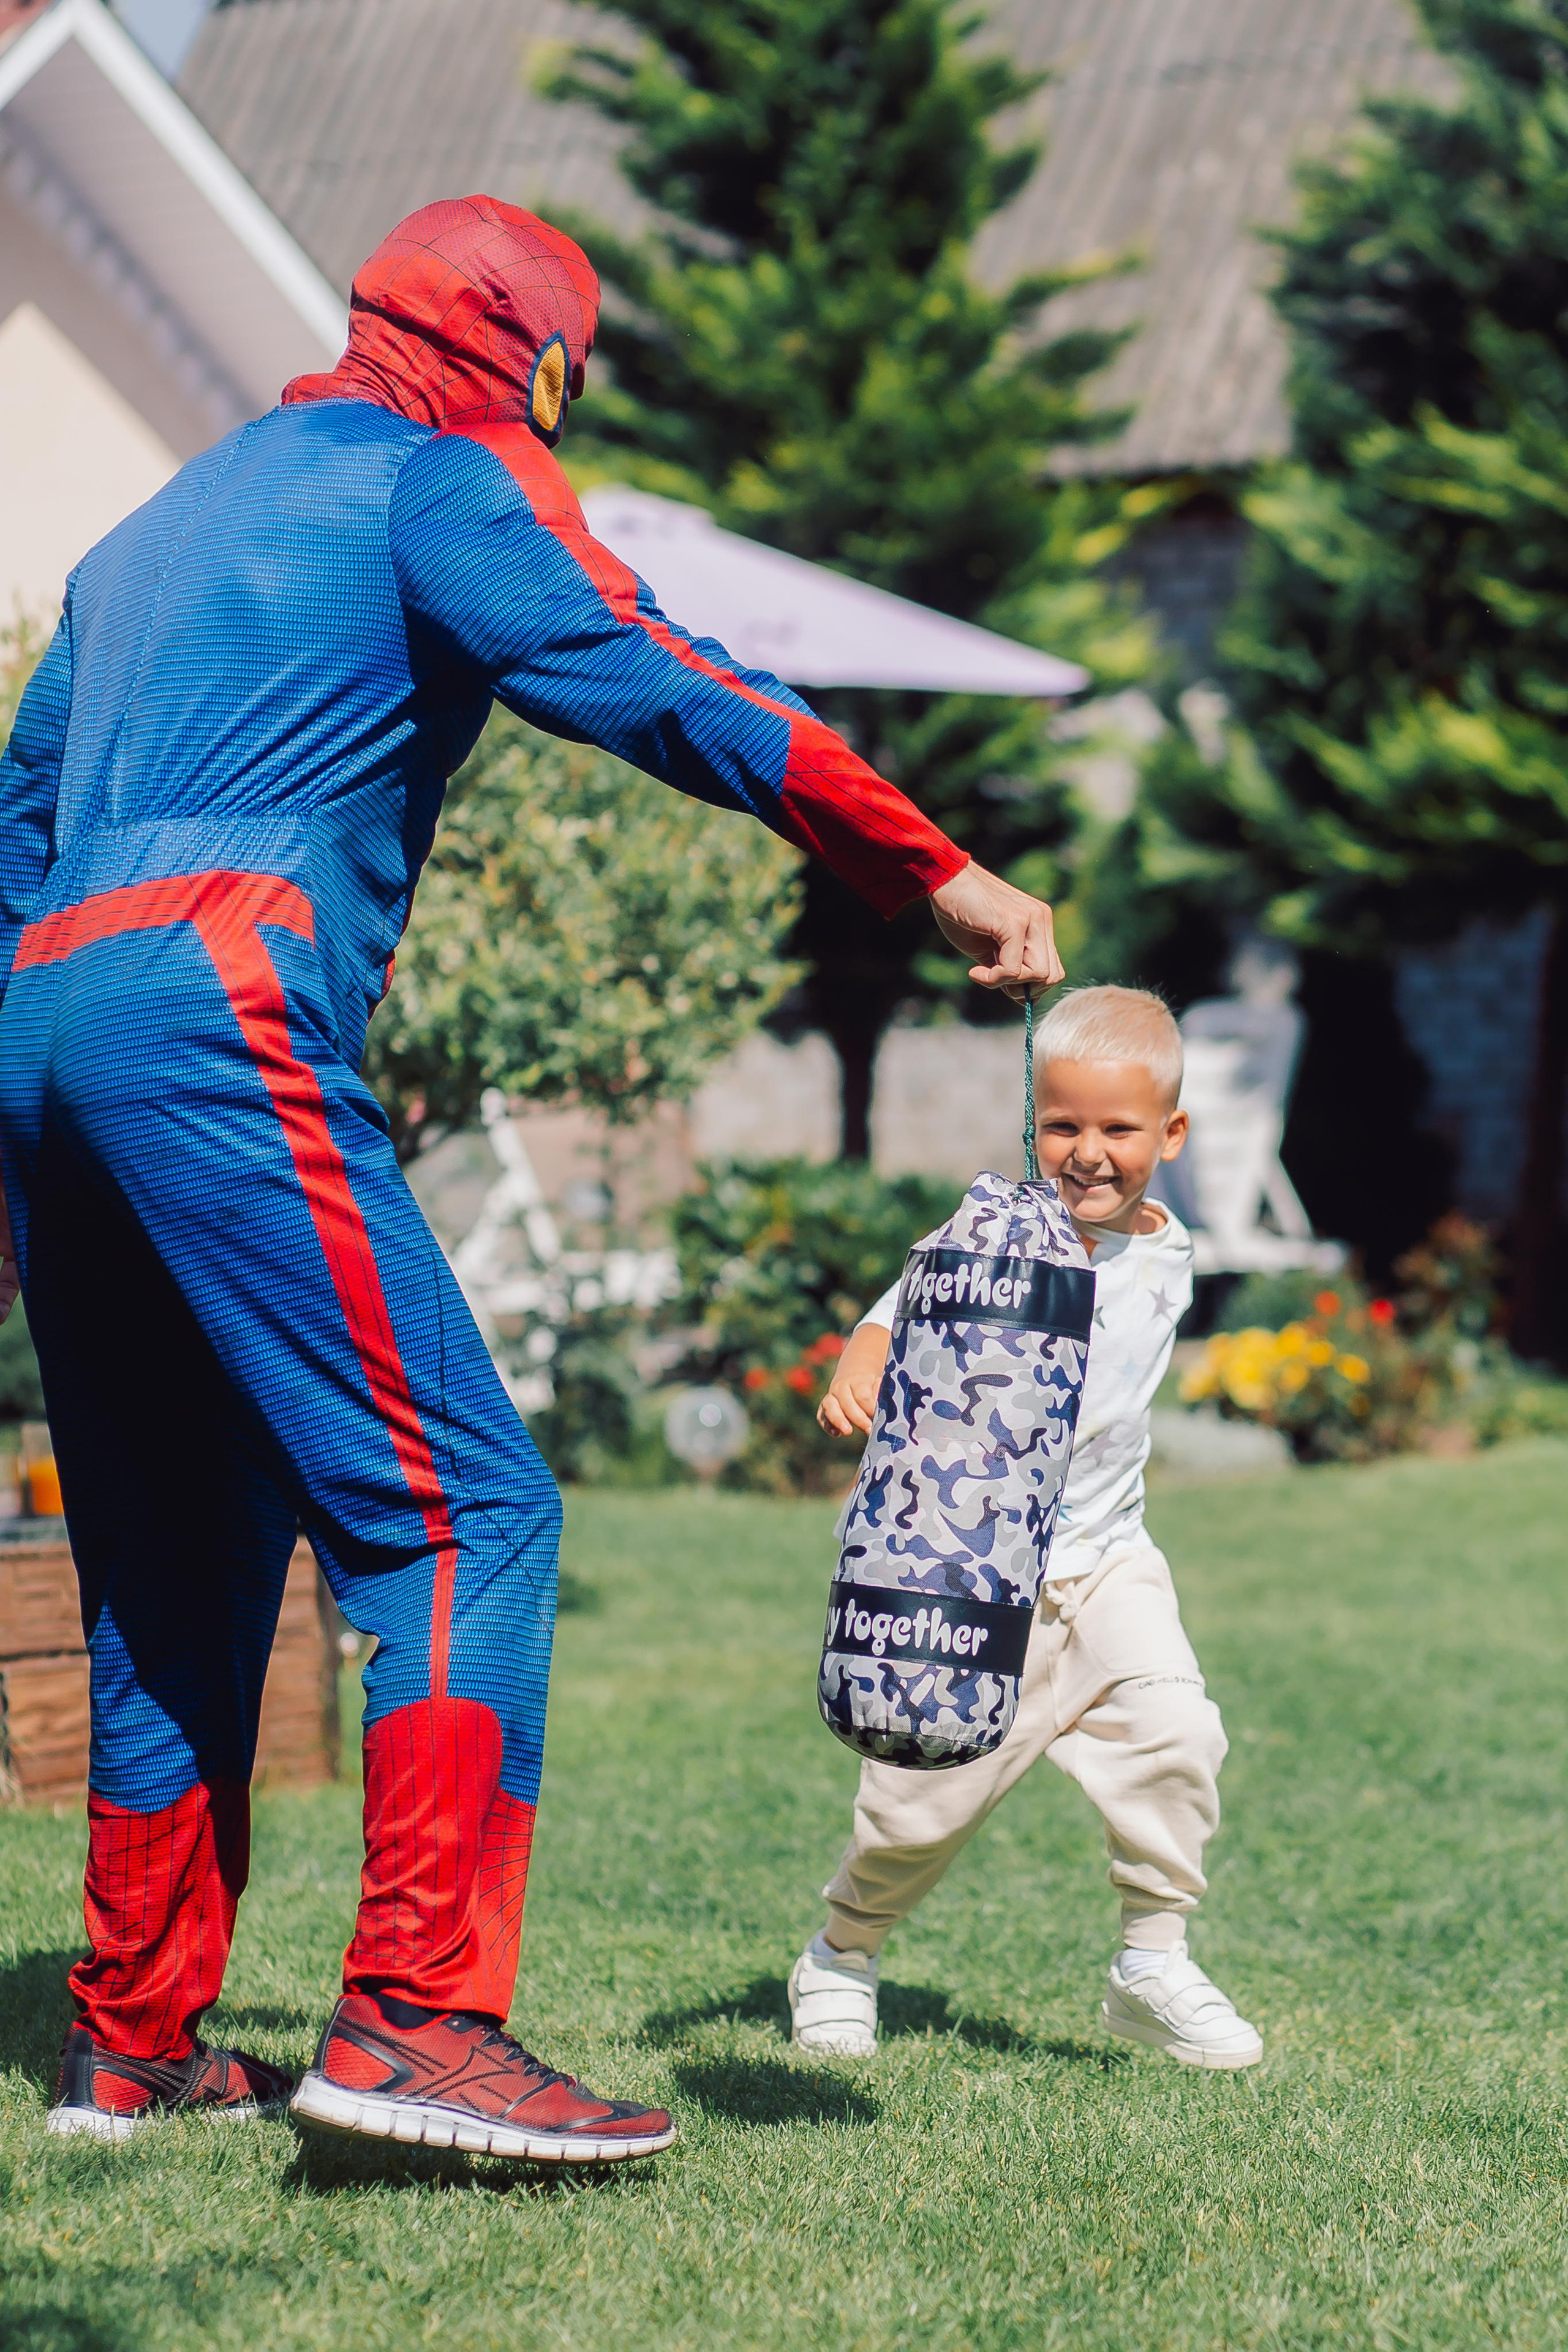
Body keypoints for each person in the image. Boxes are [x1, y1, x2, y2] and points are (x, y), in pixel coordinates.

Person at [0, 195, 1064, 2158]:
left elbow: (12, 833)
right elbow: (661, 675)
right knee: (466, 1513)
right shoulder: (446, 470)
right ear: (534, 362)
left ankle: (133, 2047)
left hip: (46, 1033)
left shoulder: (137, 538)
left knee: (171, 1562)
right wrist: (936, 865)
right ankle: (416, 2021)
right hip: (216, 1007)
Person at [788, 986, 1263, 2070]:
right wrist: (865, 1356)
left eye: (1118, 1130)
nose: (1088, 1154)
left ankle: (1152, 1960)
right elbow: (911, 1292)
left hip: (1107, 1565)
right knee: (919, 1809)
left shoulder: (1170, 1248)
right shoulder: (999, 1232)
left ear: (1171, 1135)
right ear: (1031, 1125)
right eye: (1062, 1126)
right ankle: (841, 1954)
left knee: (1177, 1734)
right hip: (972, 1580)